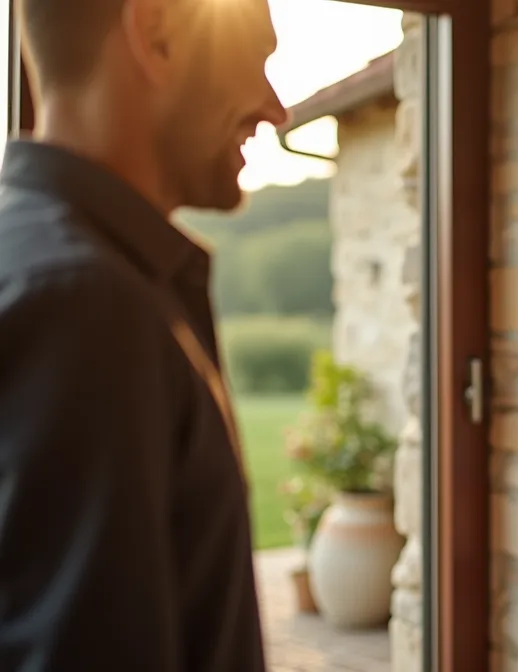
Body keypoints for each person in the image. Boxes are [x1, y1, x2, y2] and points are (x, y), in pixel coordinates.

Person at [0, 0, 287, 669]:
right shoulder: (82, 304)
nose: (276, 109)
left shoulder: (48, 262)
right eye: (257, 60)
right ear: (154, 35)